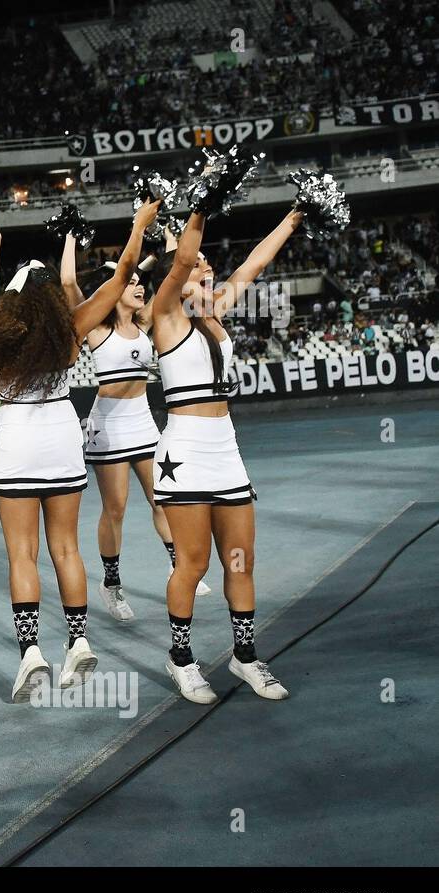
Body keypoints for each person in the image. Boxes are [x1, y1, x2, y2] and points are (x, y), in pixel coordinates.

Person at [0, 201, 161, 701]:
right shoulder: (70, 329)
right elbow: (119, 280)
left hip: (18, 446)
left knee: (21, 554)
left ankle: (31, 651)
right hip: (62, 441)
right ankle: (78, 641)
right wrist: (139, 225)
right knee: (66, 549)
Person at [148, 206, 301, 704]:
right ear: (177, 272)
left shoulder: (213, 313)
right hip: (185, 454)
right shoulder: (167, 314)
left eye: (207, 264)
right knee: (191, 564)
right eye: (195, 266)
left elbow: (255, 263)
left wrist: (294, 219)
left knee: (240, 561)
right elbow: (184, 256)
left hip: (226, 450)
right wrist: (200, 207)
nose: (204, 267)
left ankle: (245, 655)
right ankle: (182, 659)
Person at [67, 241, 211, 624]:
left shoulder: (145, 322)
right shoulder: (97, 330)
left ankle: (178, 566)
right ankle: (111, 585)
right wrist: (69, 238)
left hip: (144, 423)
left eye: (138, 283)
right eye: (129, 284)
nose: (138, 287)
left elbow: (166, 275)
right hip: (108, 427)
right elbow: (69, 284)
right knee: (115, 509)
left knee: (163, 499)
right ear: (114, 291)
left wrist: (169, 244)